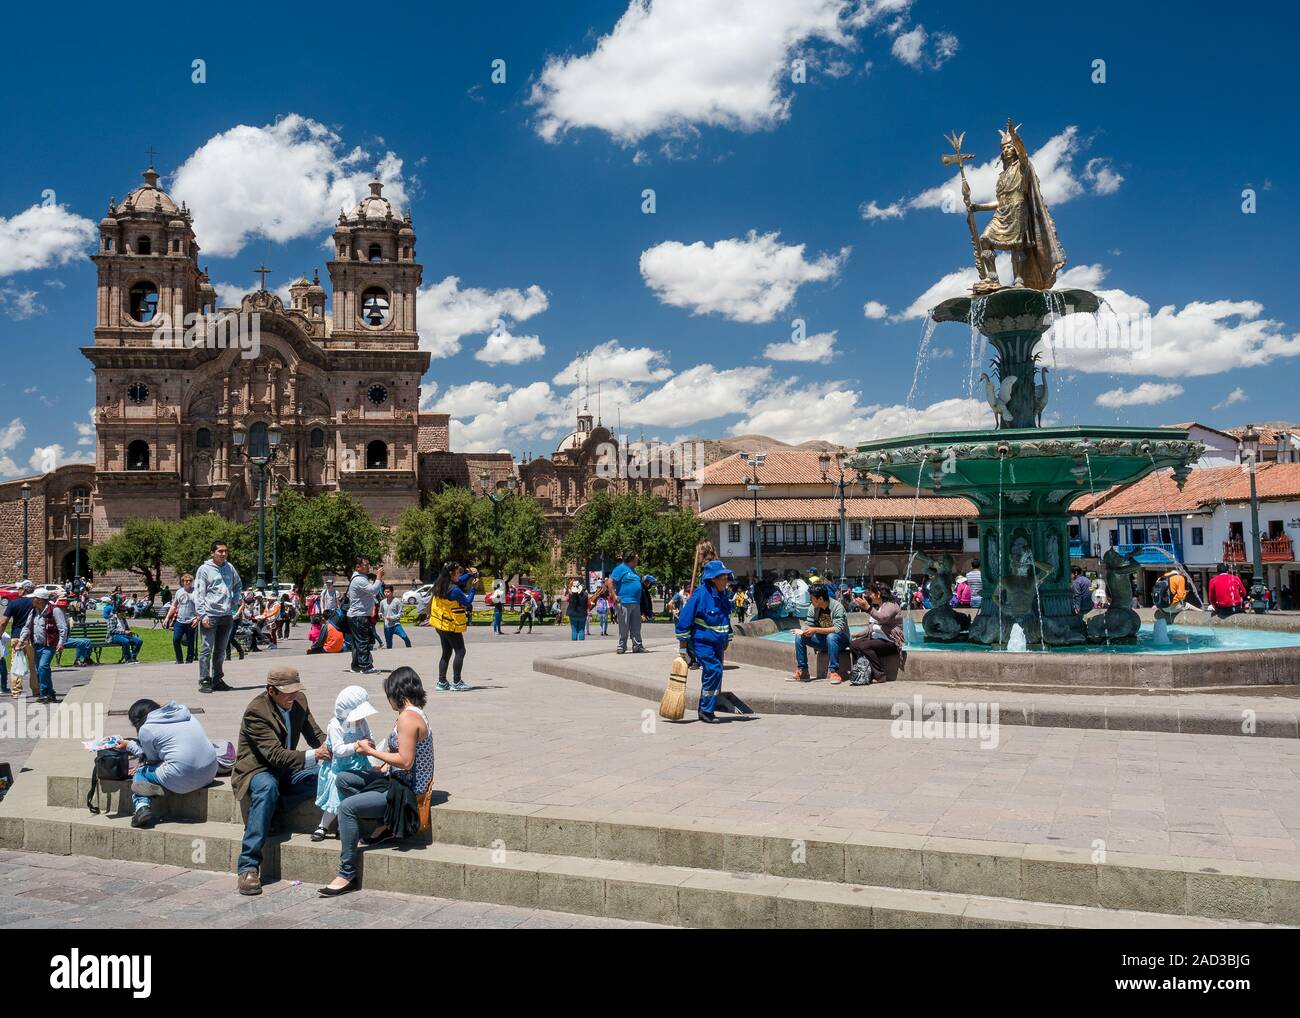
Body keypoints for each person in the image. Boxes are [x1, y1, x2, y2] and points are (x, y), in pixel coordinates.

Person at [319, 667, 434, 897]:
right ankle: (385, 823)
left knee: (346, 808)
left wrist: (371, 751)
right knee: (344, 779)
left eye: (389, 694)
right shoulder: (414, 712)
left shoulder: (408, 718)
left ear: (398, 693)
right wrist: (379, 763)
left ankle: (347, 872)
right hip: (395, 779)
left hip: (405, 791)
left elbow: (405, 761)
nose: (389, 700)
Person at [233, 666, 330, 895]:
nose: (292, 696)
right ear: (271, 690)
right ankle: (248, 866)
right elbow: (274, 755)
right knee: (267, 786)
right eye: (287, 692)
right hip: (258, 770)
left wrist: (338, 748)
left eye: (295, 690)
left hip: (286, 768)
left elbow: (315, 735)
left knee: (326, 775)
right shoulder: (256, 712)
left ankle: (274, 808)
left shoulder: (299, 702)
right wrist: (315, 755)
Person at [119, 698, 219, 829]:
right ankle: (163, 786)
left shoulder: (146, 729)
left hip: (183, 778)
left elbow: (151, 759)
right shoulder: (186, 714)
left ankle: (141, 808)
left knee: (140, 773)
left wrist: (130, 745)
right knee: (167, 766)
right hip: (211, 771)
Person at [312, 686, 377, 842]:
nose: (361, 719)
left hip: (357, 766)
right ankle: (323, 825)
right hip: (339, 769)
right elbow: (338, 750)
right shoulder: (335, 725)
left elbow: (369, 735)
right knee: (336, 799)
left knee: (349, 800)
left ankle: (342, 827)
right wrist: (356, 746)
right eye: (358, 716)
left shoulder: (362, 723)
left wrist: (370, 743)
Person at [675, 559, 734, 724]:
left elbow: (725, 620)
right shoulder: (700, 596)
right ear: (713, 579)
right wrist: (683, 648)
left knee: (714, 674)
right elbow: (684, 622)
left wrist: (727, 638)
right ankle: (707, 711)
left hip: (718, 644)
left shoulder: (722, 595)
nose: (726, 580)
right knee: (714, 671)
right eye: (723, 577)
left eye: (726, 577)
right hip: (703, 644)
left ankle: (705, 709)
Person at [194, 540, 242, 693]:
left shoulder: (230, 568)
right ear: (212, 553)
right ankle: (204, 680)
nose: (223, 554)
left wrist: (234, 602)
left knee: (220, 650)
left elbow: (238, 584)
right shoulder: (204, 569)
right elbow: (199, 593)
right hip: (211, 615)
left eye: (225, 551)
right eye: (220, 551)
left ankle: (217, 679)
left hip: (226, 615)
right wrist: (202, 615)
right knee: (206, 648)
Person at [16, 589, 70, 703]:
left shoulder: (54, 610)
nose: (32, 600)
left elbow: (63, 628)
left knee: (43, 667)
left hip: (50, 644)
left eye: (34, 598)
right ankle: (49, 693)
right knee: (39, 670)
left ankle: (45, 693)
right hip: (37, 645)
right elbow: (27, 627)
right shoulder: (34, 611)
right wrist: (21, 641)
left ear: (40, 600)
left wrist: (61, 643)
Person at [791, 583, 851, 684]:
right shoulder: (812, 607)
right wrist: (804, 631)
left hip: (840, 640)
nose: (810, 600)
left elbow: (838, 629)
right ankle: (803, 670)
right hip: (823, 640)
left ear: (820, 599)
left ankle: (834, 672)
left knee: (831, 637)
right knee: (799, 637)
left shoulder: (837, 607)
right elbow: (808, 624)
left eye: (812, 598)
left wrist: (815, 630)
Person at [429, 562, 474, 691]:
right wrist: (473, 588)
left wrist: (469, 575)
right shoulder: (454, 590)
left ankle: (442, 682)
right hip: (450, 625)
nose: (460, 575)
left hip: (440, 624)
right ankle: (457, 682)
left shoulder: (439, 583)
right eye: (458, 573)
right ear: (451, 574)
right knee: (460, 651)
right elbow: (467, 601)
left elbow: (459, 580)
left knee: (446, 652)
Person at [346, 556, 385, 674]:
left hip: (357, 615)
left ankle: (356, 665)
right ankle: (366, 666)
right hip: (359, 615)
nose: (368, 566)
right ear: (358, 567)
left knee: (357, 642)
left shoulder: (359, 578)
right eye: (366, 564)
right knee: (363, 641)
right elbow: (373, 590)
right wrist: (379, 577)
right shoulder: (359, 579)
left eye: (368, 564)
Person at [608, 552, 646, 654]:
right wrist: (614, 595)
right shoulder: (620, 569)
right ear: (631, 559)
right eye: (637, 559)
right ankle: (622, 646)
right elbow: (610, 582)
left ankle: (637, 645)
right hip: (624, 602)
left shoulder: (634, 571)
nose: (638, 561)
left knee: (636, 626)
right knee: (624, 625)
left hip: (635, 602)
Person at [162, 573, 199, 665]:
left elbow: (200, 606)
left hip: (191, 620)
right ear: (183, 582)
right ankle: (179, 659)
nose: (188, 582)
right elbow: (174, 606)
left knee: (190, 641)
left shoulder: (196, 592)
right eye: (186, 581)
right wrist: (167, 617)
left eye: (190, 581)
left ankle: (189, 659)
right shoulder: (179, 592)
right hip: (179, 620)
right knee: (176, 639)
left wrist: (198, 618)